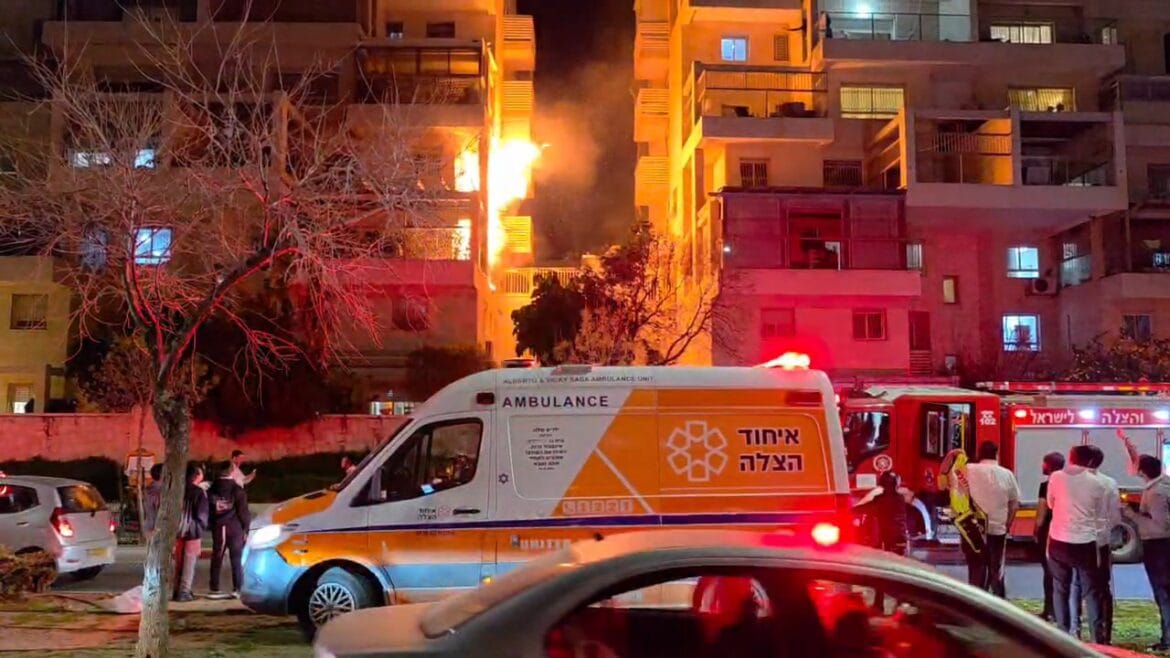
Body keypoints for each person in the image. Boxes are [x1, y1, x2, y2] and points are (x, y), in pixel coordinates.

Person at [1048, 444, 1113, 641]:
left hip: (1058, 540)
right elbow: (1099, 514)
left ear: (1071, 458)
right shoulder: (1097, 484)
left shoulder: (1056, 477)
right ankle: (1097, 639)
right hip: (1085, 543)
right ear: (1091, 461)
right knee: (1091, 592)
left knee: (1060, 589)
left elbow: (1051, 503)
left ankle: (1063, 635)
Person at [1123, 454, 1170, 651]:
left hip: (1159, 545)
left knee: (1163, 593)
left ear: (1142, 471)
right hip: (1162, 545)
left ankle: (1168, 639)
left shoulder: (1155, 493)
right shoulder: (1163, 485)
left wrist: (1132, 515)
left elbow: (1162, 525)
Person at [964, 441, 1020, 596]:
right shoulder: (1007, 474)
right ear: (996, 454)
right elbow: (1014, 504)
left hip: (972, 530)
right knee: (996, 571)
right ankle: (997, 603)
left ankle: (975, 601)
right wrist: (1007, 525)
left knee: (975, 569)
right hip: (997, 530)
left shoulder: (967, 470)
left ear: (979, 454)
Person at [1082, 445, 1120, 644]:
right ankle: (1105, 636)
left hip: (1080, 542)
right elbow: (1115, 517)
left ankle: (1082, 633)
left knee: (1083, 589)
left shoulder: (1075, 482)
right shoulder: (1109, 483)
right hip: (1102, 542)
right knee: (1103, 589)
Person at [208, 460, 251, 599]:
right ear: (232, 471)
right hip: (234, 528)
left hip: (218, 527)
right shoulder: (237, 490)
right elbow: (243, 512)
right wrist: (246, 528)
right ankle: (237, 588)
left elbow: (208, 509)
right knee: (236, 558)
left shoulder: (212, 489)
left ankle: (214, 587)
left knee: (217, 557)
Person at [1035, 451, 1065, 621]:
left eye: (1043, 463)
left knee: (1049, 572)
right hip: (1064, 531)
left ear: (1049, 466)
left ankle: (1050, 610)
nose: (1041, 466)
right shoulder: (1068, 484)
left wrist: (1036, 529)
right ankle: (1063, 610)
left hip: (1049, 532)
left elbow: (1042, 512)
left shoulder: (1046, 486)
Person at [174, 463, 209, 603]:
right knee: (189, 562)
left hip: (177, 531)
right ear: (196, 476)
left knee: (179, 562)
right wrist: (199, 528)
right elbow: (202, 514)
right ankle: (184, 591)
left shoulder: (177, 490)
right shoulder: (198, 492)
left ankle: (176, 590)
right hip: (192, 532)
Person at [853, 471, 910, 556]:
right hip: (900, 536)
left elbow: (866, 508)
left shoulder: (880, 500)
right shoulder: (900, 499)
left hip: (887, 538)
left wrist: (849, 511)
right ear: (896, 484)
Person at [142, 463, 164, 540]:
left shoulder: (148, 489)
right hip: (155, 528)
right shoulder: (158, 492)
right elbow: (160, 511)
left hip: (149, 525)